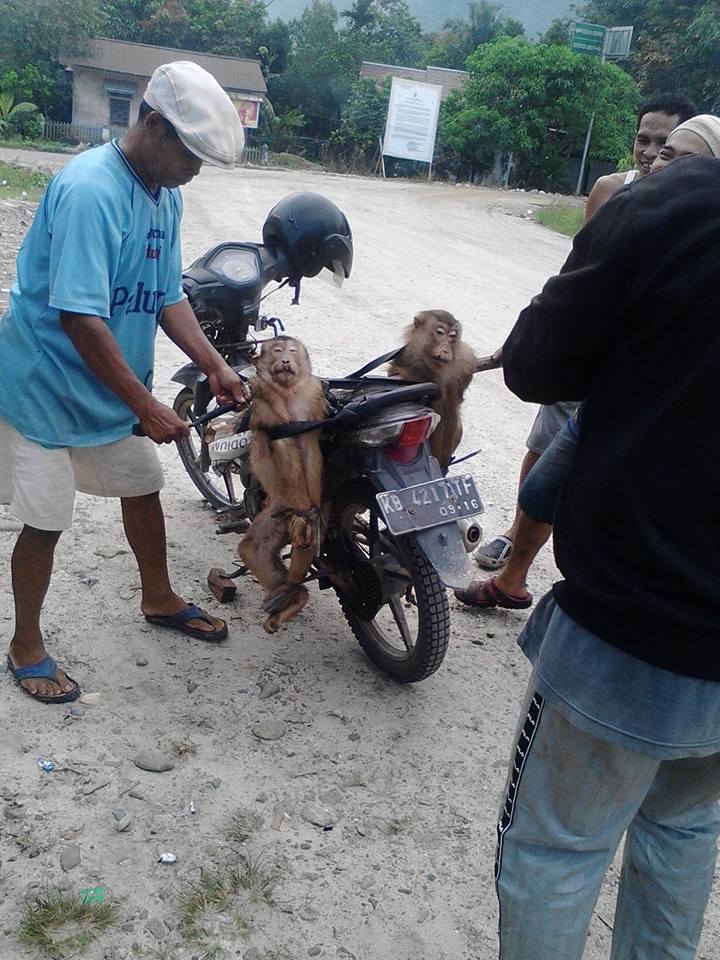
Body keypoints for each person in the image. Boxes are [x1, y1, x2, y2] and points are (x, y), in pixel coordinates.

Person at [492, 150, 720, 959]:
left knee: (558, 848)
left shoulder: (675, 205)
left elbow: (534, 364)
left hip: (628, 634)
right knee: (685, 833)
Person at [0, 61, 248, 704]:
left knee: (144, 484)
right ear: (155, 126)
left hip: (108, 388)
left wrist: (216, 364)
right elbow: (80, 318)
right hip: (48, 386)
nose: (195, 169)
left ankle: (158, 596)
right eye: (191, 154)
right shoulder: (92, 190)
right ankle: (26, 642)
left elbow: (166, 296)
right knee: (48, 520)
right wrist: (147, 404)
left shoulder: (165, 195)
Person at [465, 93, 697, 609]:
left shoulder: (699, 221)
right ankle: (515, 559)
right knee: (544, 460)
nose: (652, 155)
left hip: (637, 385)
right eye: (648, 142)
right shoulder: (614, 192)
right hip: (590, 359)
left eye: (668, 147)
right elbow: (581, 274)